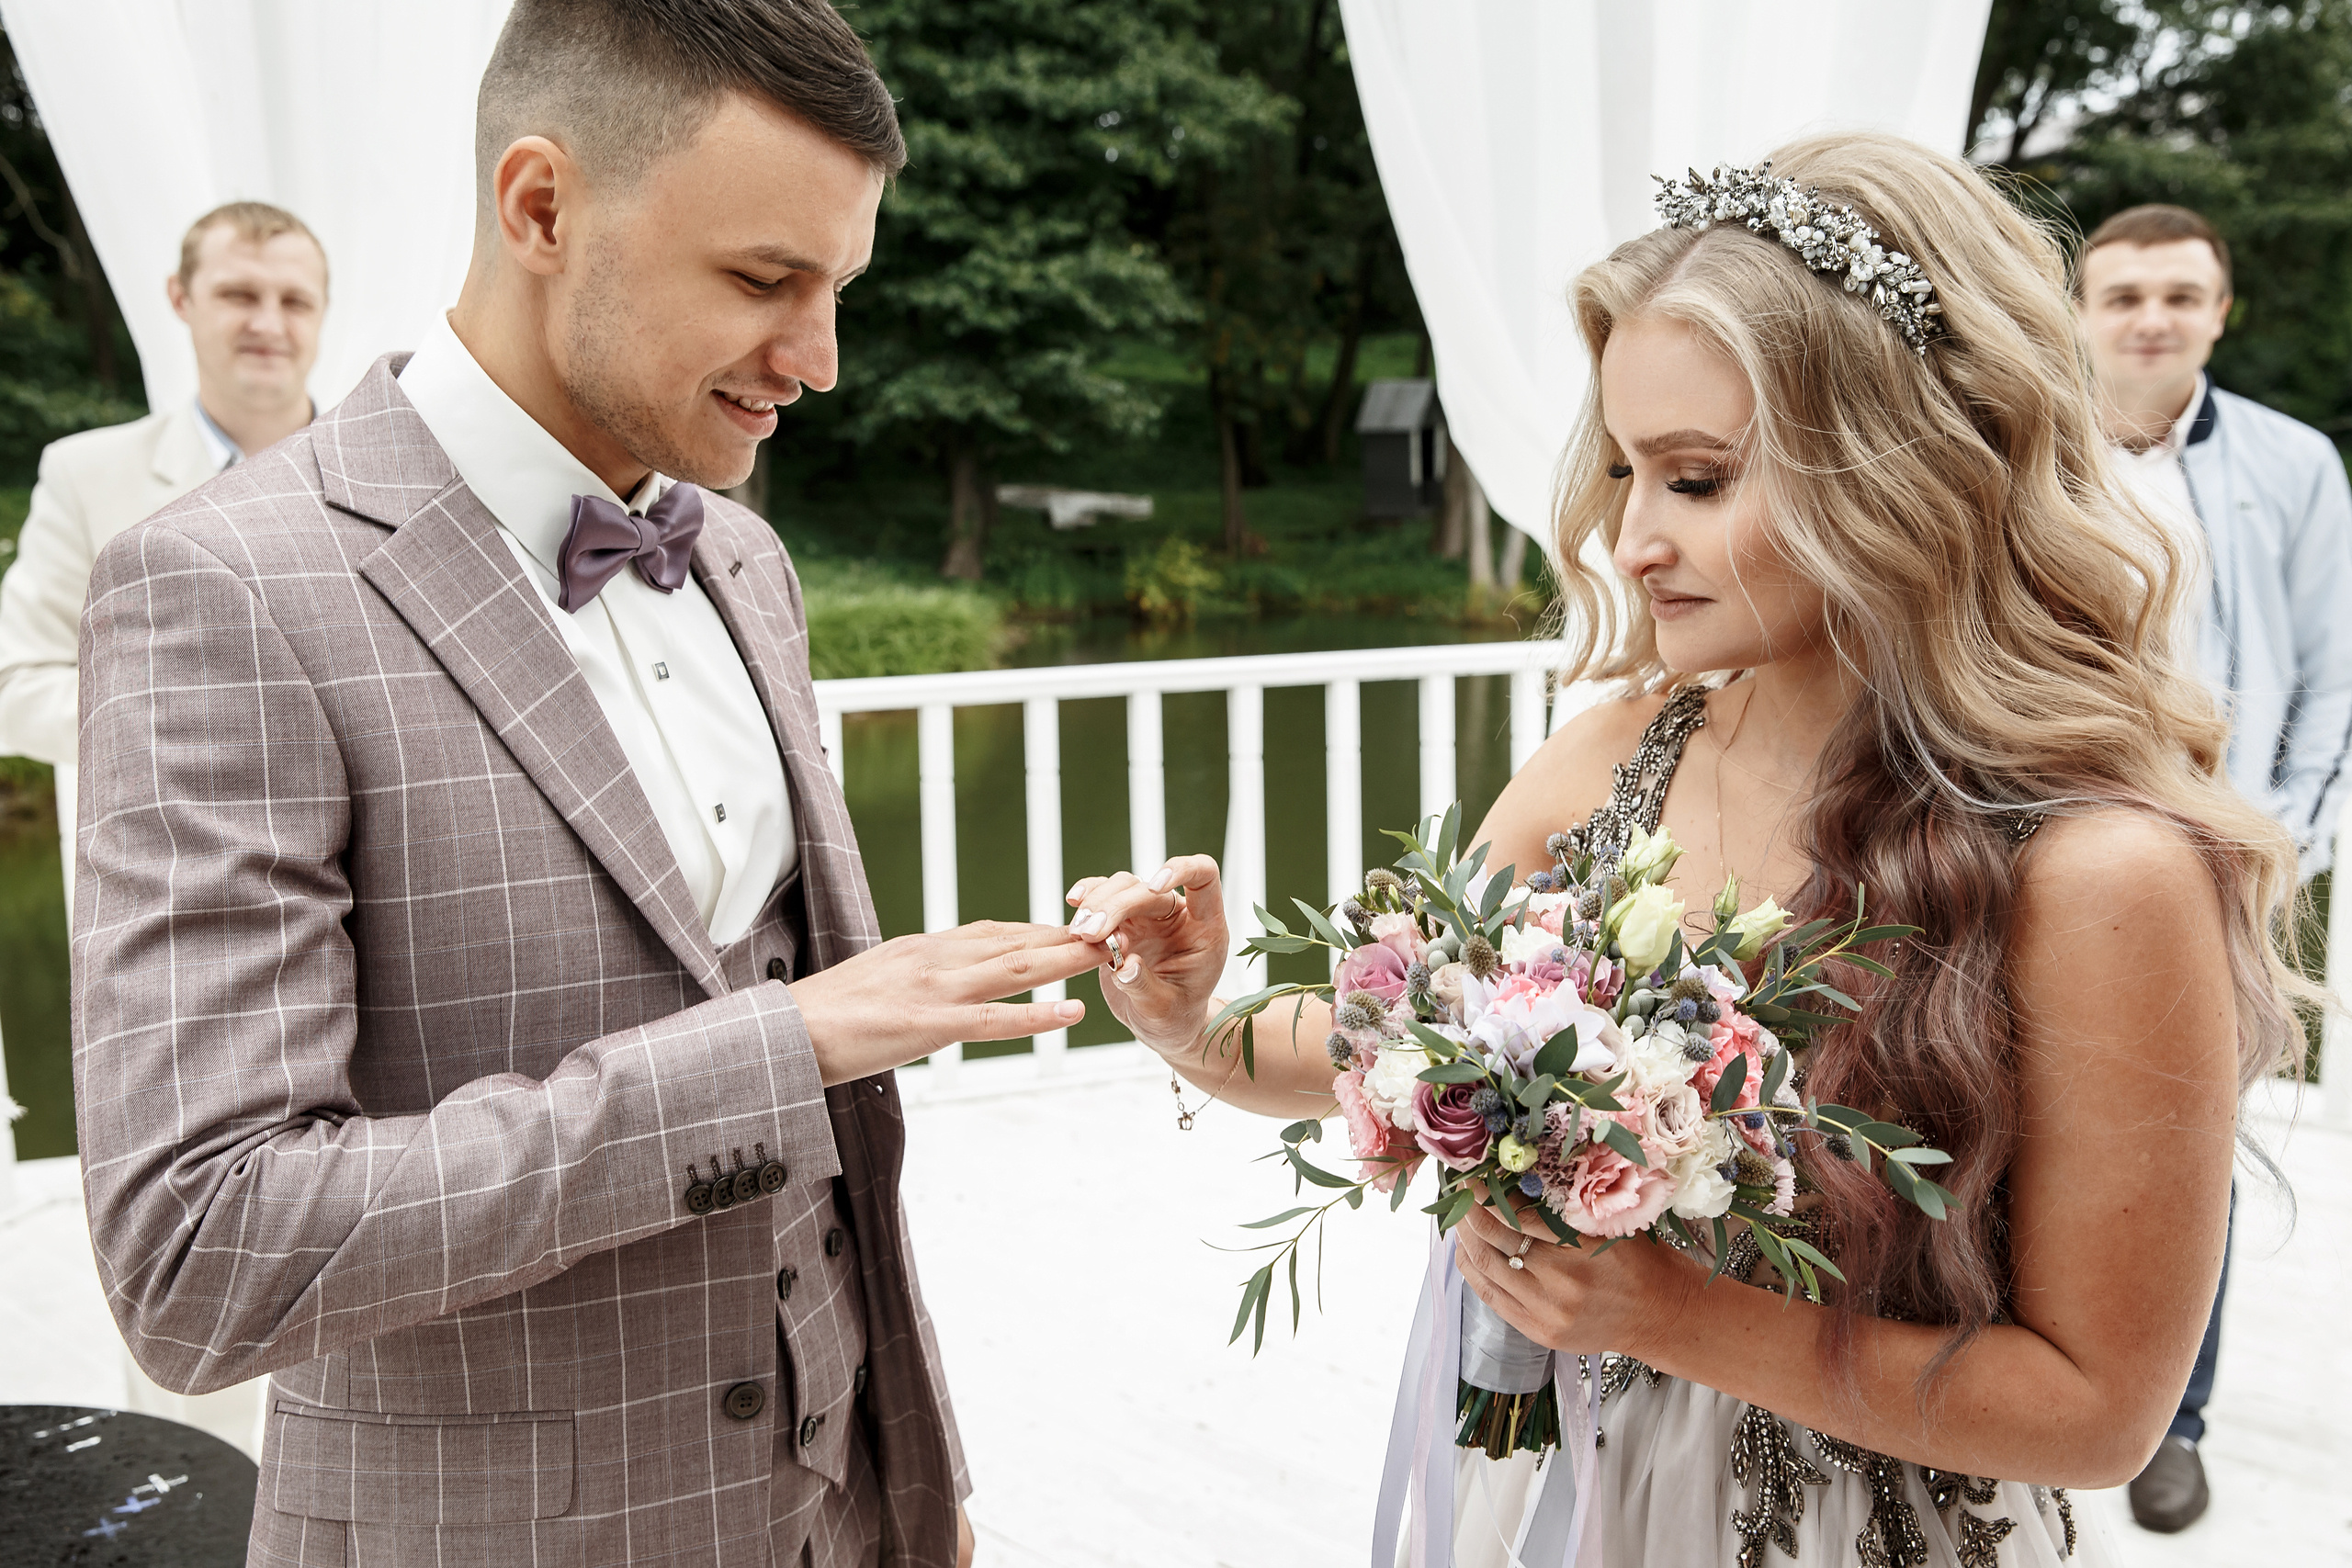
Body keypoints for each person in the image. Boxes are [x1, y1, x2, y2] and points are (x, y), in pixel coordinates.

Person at [1067, 132, 2299, 1564]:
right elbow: (1398, 1038)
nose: (1632, 539)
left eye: (1699, 478)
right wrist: (1194, 1025)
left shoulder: (2094, 870)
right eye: (1627, 470)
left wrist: (1668, 1312)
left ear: (1902, 469)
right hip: (1577, 1492)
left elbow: (2098, 1411)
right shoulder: (1611, 755)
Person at [70, 3, 1100, 1564]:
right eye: (765, 281)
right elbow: (202, 1249)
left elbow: (828, 1173)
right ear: (541, 205)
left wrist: (913, 1475)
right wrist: (779, 1048)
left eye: (839, 290)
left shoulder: (744, 556)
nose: (820, 363)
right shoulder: (222, 587)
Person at [2076, 203, 2352, 1533]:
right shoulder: (2025, 453)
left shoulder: (2297, 466)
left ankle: (2168, 1419)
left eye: (2181, 295)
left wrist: (2278, 845)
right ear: (2079, 311)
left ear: (2219, 312)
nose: (2152, 318)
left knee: (2187, 1147)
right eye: (2123, 292)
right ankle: (2041, 1386)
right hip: (2048, 841)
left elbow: (2332, 680)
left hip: (2219, 855)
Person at [0, 200, 326, 905]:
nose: (268, 323)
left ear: (324, 312)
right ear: (181, 298)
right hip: (154, 899)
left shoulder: (398, 474)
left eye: (294, 300)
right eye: (239, 294)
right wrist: (196, 725)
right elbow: (13, 684)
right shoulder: (85, 476)